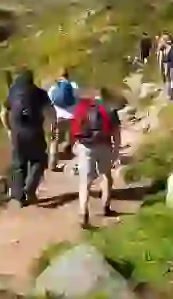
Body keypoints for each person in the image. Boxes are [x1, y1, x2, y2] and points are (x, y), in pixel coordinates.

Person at [71, 87, 122, 228]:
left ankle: (83, 212)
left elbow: (75, 129)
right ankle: (106, 206)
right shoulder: (109, 109)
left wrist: (75, 145)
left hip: (85, 147)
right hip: (104, 146)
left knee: (85, 181)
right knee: (106, 176)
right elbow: (116, 133)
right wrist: (116, 151)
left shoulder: (81, 108)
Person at [0, 69, 52, 207]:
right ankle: (30, 188)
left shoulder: (13, 93)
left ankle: (18, 197)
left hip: (17, 133)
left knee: (18, 164)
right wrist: (51, 128)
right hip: (35, 132)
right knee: (39, 160)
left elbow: (3, 113)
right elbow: (49, 112)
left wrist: (9, 129)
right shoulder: (40, 93)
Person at [47, 68, 80, 172]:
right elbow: (78, 99)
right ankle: (76, 165)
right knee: (75, 141)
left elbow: (49, 105)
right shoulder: (74, 86)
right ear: (68, 75)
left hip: (58, 118)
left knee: (55, 141)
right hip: (72, 118)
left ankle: (52, 163)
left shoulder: (52, 89)